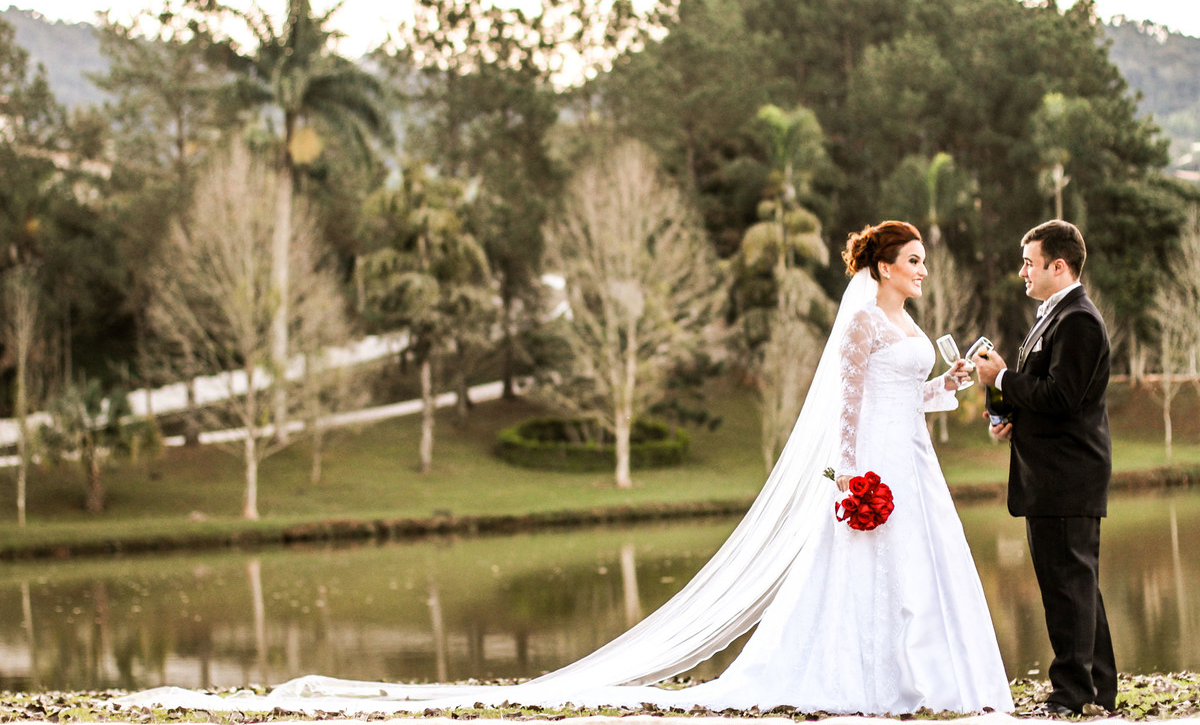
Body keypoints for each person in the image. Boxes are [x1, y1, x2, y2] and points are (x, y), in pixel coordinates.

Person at [116, 222, 1013, 716]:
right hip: (873, 473)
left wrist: (960, 381)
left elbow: (918, 400)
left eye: (923, 262)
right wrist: (851, 483)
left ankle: (929, 682)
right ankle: (860, 682)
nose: (921, 270)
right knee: (862, 575)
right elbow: (847, 411)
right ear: (880, 267)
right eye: (911, 260)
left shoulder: (908, 328)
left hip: (919, 464)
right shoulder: (861, 321)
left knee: (927, 575)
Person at [974, 219, 1117, 717]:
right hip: (1051, 472)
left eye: (1029, 263)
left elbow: (1063, 396)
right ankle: (1097, 689)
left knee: (1068, 587)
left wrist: (1003, 377)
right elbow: (1049, 394)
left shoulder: (1077, 319)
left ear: (1059, 266)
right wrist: (1009, 414)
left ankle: (1071, 695)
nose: (1022, 272)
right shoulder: (1052, 315)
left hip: (1067, 475)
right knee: (1076, 586)